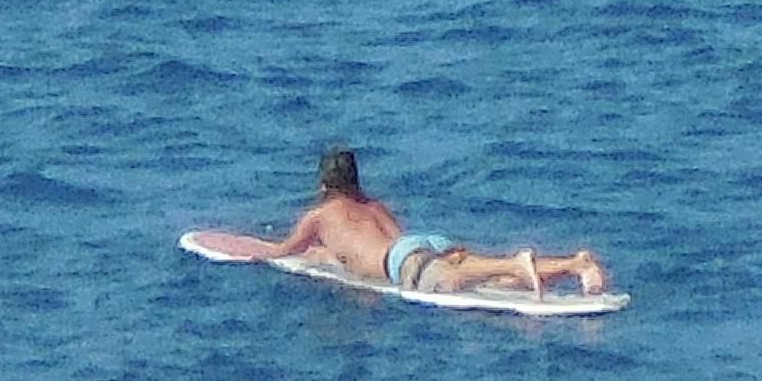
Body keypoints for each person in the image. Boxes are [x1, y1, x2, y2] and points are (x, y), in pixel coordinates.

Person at [214, 148, 610, 297]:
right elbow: (385, 242)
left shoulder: (319, 216)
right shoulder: (374, 205)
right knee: (482, 276)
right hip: (420, 244)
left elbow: (285, 251)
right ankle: (575, 264)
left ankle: (518, 263)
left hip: (402, 261)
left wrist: (258, 252)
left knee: (455, 282)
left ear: (323, 186)